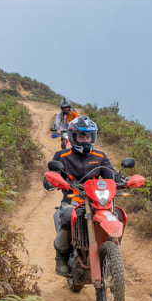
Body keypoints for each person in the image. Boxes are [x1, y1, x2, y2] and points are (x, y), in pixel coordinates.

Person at [43, 116, 114, 276]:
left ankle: (112, 251)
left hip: (97, 201)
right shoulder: (61, 156)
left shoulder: (100, 156)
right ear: (74, 136)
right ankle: (61, 257)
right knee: (68, 216)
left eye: (89, 136)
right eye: (82, 136)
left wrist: (122, 180)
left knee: (115, 214)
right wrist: (52, 181)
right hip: (72, 201)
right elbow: (52, 174)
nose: (86, 140)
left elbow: (111, 174)